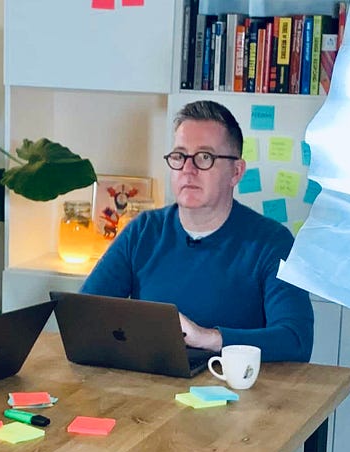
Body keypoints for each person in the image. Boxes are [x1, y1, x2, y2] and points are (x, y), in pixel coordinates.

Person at [81, 100, 313, 362]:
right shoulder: (143, 230)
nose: (188, 171)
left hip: (238, 394)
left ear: (236, 172)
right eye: (179, 156)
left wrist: (208, 338)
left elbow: (296, 340)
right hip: (150, 386)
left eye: (205, 157)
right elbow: (83, 314)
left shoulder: (273, 242)